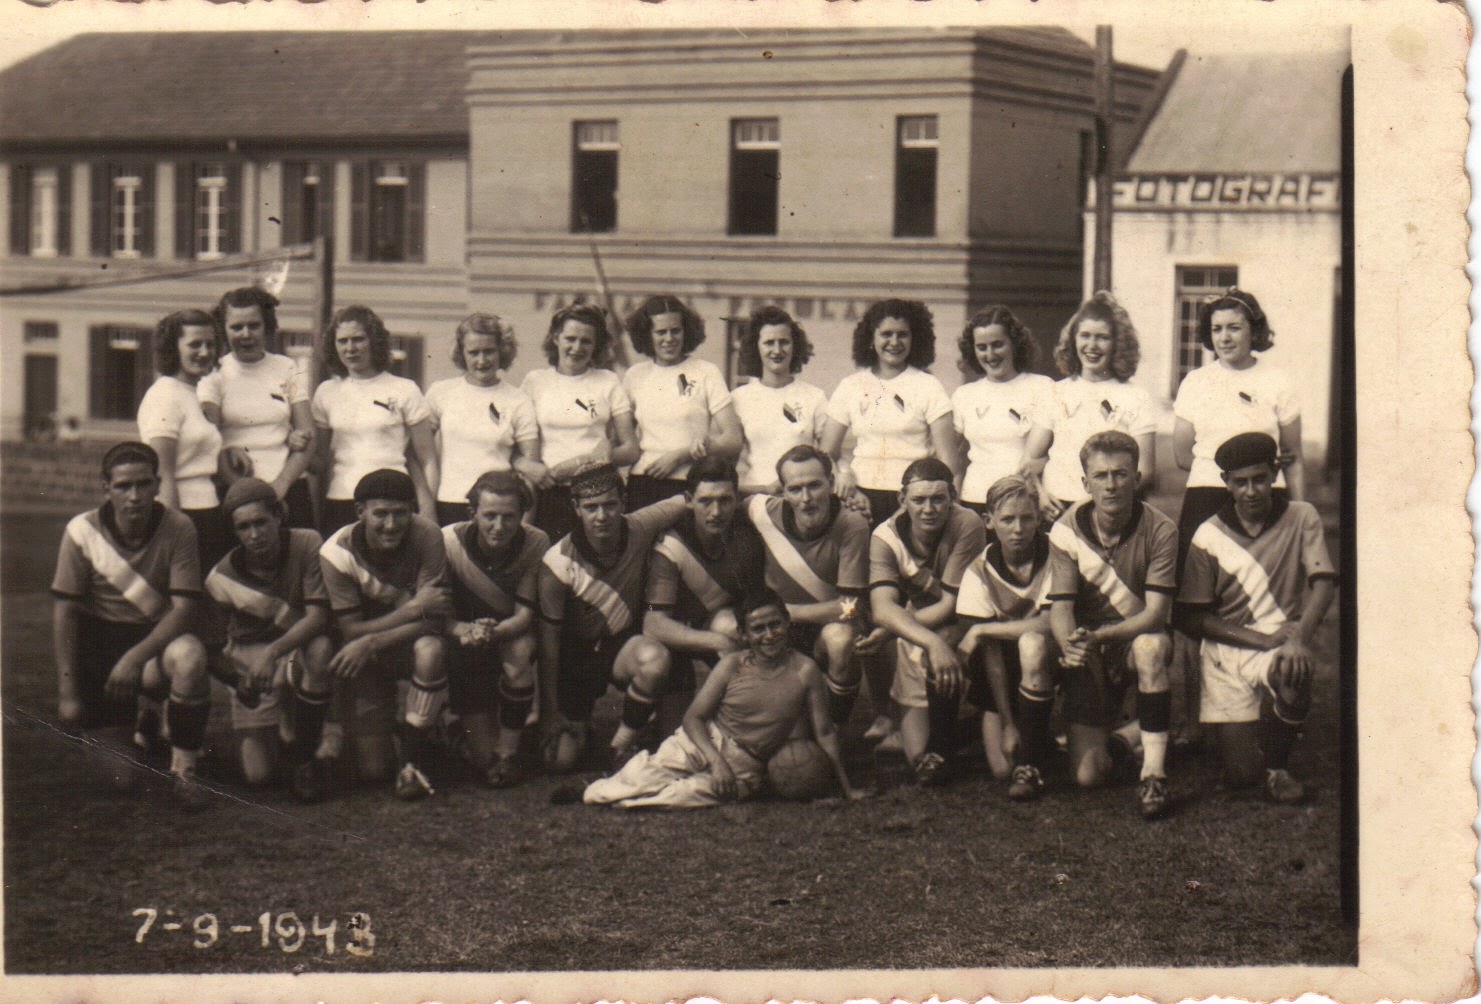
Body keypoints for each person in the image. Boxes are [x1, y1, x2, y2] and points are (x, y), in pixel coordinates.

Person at [1168, 289, 1304, 743]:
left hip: (1269, 498)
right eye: (1216, 329)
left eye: (1234, 327)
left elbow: (1292, 455)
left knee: (1267, 600)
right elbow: (1182, 454)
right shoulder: (1195, 382)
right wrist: (1226, 475)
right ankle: (1192, 721)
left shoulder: (1278, 380)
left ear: (1254, 330)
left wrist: (1299, 513)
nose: (1224, 337)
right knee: (1196, 607)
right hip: (1208, 495)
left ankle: (1267, 706)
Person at [583, 589, 864, 808]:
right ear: (743, 634)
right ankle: (606, 787)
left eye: (775, 624)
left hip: (746, 765)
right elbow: (694, 718)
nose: (769, 635)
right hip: (703, 742)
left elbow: (825, 732)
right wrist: (715, 761)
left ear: (787, 624)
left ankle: (628, 795)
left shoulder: (805, 670)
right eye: (758, 628)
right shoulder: (732, 665)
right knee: (640, 780)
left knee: (680, 796)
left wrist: (846, 788)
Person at [1176, 432, 1335, 804]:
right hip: (1225, 649)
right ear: (1226, 483)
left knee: (1296, 669)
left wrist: (1296, 639)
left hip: (1281, 640)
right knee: (1240, 775)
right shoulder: (1208, 534)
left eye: (1259, 479)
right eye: (1240, 482)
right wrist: (1260, 640)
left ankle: (1278, 767)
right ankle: (1249, 739)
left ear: (1274, 473)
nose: (1251, 491)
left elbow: (1324, 583)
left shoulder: (1302, 515)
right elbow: (1192, 619)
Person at [50, 442, 212, 808]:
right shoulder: (81, 531)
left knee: (189, 655)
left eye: (143, 484)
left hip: (151, 648)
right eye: (123, 486)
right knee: (119, 782)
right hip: (100, 652)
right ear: (106, 489)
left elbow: (184, 609)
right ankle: (145, 715)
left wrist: (135, 659)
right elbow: (64, 613)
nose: (135, 496)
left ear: (157, 485)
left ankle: (184, 770)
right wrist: (68, 693)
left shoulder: (179, 527)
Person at [1045, 431, 1179, 819]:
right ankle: (1125, 738)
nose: (1111, 484)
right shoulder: (1066, 529)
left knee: (1151, 647)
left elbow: (1155, 614)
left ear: (1137, 478)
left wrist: (1100, 636)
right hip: (1090, 644)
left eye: (1121, 474)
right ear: (1084, 483)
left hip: (1134, 637)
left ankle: (1153, 773)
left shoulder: (1161, 529)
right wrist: (1070, 645)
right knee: (1088, 777)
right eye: (1100, 475)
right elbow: (1061, 606)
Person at [536, 462, 687, 772]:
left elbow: (693, 496)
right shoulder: (557, 562)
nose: (602, 516)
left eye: (609, 505)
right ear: (576, 508)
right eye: (591, 507)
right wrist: (550, 711)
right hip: (575, 658)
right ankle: (579, 728)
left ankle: (620, 745)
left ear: (623, 502)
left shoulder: (639, 526)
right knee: (560, 762)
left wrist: (763, 493)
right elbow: (549, 646)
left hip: (620, 646)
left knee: (655, 660)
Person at [318, 469, 453, 799]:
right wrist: (411, 609)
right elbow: (350, 631)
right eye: (381, 514)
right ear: (360, 512)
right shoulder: (336, 552)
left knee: (431, 649)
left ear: (412, 510)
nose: (391, 525)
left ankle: (413, 759)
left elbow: (436, 617)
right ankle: (406, 728)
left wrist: (373, 639)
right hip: (363, 657)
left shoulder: (427, 535)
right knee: (373, 770)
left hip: (390, 645)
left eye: (400, 513)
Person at [203, 477, 333, 801]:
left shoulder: (306, 543)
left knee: (321, 649)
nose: (255, 534)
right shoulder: (220, 578)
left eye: (261, 522)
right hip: (251, 656)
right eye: (244, 527)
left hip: (292, 646)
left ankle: (304, 758)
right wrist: (237, 680)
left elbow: (317, 617)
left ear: (279, 515)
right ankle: (287, 732)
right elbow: (210, 649)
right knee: (258, 776)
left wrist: (273, 653)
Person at [744, 445, 883, 733]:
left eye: (815, 486)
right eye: (795, 489)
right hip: (781, 633)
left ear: (832, 484)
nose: (806, 499)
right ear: (781, 491)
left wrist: (787, 612)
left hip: (821, 628)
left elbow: (850, 607)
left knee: (840, 639)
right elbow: (719, 499)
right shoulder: (760, 511)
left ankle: (836, 727)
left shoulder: (852, 524)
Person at [867, 458, 984, 784]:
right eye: (919, 500)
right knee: (916, 756)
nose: (929, 509)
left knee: (944, 643)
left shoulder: (967, 523)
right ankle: (966, 729)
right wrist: (921, 637)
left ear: (953, 497)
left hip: (967, 618)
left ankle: (952, 740)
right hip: (920, 626)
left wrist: (904, 633)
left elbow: (950, 604)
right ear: (902, 500)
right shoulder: (885, 537)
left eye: (938, 499)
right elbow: (881, 609)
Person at [440, 470, 549, 788]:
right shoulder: (448, 541)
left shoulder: (535, 541)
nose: (498, 527)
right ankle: (452, 727)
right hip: (464, 644)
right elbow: (437, 611)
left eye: (508, 517)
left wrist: (495, 632)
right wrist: (463, 629)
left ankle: (508, 751)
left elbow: (525, 614)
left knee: (520, 651)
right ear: (472, 512)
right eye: (489, 516)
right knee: (479, 758)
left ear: (522, 516)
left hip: (507, 632)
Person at [642, 456, 767, 724]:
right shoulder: (671, 544)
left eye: (725, 500)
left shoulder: (747, 536)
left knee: (730, 625)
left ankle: (737, 713)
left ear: (737, 499)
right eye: (705, 501)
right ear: (688, 500)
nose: (716, 511)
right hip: (674, 638)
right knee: (673, 732)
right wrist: (715, 642)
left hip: (718, 626)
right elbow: (653, 621)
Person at [954, 475, 1057, 794]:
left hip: (1053, 662)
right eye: (1007, 519)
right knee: (1000, 769)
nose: (1018, 529)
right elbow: (991, 654)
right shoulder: (977, 571)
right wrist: (1008, 721)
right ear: (988, 521)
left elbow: (1049, 624)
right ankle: (1009, 725)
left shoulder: (1057, 556)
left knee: (1032, 643)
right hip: (1001, 672)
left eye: (1027, 518)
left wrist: (985, 628)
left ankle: (1034, 756)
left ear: (1039, 518)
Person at [821, 298, 962, 527]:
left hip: (914, 501)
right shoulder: (851, 385)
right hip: (860, 499)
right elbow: (826, 453)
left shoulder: (928, 385)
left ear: (914, 338)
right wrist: (845, 478)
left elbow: (948, 462)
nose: (894, 342)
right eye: (886, 334)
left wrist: (926, 504)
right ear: (871, 338)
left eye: (902, 334)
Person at [1023, 291, 1157, 521]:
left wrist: (1100, 499)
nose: (1092, 345)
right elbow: (1030, 461)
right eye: (1085, 335)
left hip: (1111, 512)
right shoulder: (1055, 392)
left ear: (1118, 344)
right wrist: (1041, 496)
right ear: (1073, 339)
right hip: (1057, 511)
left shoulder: (1136, 396)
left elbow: (1145, 471)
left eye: (1102, 337)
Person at [311, 305, 437, 534]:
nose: (350, 348)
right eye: (342, 341)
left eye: (358, 339)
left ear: (375, 341)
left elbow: (427, 458)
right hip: (341, 499)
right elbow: (319, 460)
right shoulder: (326, 392)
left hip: (393, 502)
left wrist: (428, 508)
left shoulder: (404, 389)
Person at [199, 287, 316, 529]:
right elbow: (209, 439)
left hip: (289, 487)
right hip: (235, 492)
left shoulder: (286, 367)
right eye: (236, 327)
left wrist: (281, 485)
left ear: (267, 326)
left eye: (254, 325)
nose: (246, 334)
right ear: (223, 329)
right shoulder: (213, 374)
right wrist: (244, 491)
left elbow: (308, 435)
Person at [521, 303, 639, 541]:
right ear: (556, 338)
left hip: (595, 497)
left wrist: (588, 462)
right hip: (546, 493)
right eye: (570, 339)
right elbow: (512, 444)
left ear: (596, 345)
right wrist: (526, 466)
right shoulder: (535, 381)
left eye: (586, 341)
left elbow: (630, 449)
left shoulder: (608, 381)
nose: (577, 348)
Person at [621, 295, 743, 509]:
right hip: (643, 483)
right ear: (647, 335)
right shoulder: (635, 376)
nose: (669, 338)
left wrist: (682, 455)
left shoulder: (706, 372)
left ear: (686, 331)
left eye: (675, 330)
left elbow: (733, 440)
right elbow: (624, 441)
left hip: (690, 484)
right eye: (660, 332)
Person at [426, 313, 543, 527]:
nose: (481, 360)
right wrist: (427, 509)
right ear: (462, 354)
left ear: (502, 351)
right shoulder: (440, 393)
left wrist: (525, 525)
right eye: (473, 353)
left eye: (489, 351)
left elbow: (530, 471)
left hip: (499, 510)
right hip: (449, 504)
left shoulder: (518, 400)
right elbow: (422, 454)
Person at [137, 308, 230, 568]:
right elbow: (163, 474)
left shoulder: (193, 393)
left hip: (209, 512)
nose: (204, 352)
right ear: (172, 348)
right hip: (184, 514)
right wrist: (176, 535)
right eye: (194, 344)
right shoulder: (165, 396)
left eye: (210, 344)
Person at [950, 306, 1054, 518]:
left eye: (997, 345)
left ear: (1014, 344)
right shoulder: (964, 395)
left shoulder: (1042, 387)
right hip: (975, 499)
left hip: (1025, 503)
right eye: (982, 347)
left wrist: (1042, 468)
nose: (990, 354)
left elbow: (1057, 450)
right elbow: (953, 458)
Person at [730, 305, 829, 495]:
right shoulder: (739, 398)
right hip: (754, 496)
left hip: (802, 497)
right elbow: (730, 463)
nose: (777, 350)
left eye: (784, 342)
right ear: (756, 346)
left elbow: (829, 456)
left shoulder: (814, 397)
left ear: (795, 346)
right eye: (769, 343)